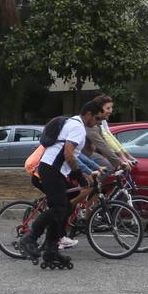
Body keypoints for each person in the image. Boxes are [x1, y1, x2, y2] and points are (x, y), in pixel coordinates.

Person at [20, 101, 106, 269]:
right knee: (60, 208)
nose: (98, 123)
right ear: (88, 114)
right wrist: (78, 175)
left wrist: (85, 171)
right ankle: (30, 238)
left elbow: (76, 154)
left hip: (55, 170)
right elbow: (68, 153)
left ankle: (51, 252)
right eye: (97, 118)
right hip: (51, 169)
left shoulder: (73, 122)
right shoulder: (78, 128)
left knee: (64, 208)